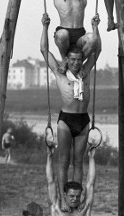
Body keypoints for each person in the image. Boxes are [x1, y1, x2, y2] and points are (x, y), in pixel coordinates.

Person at [40, 13, 101, 190]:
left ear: (82, 60)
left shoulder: (86, 71)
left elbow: (97, 49)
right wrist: (44, 27)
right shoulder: (60, 73)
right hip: (66, 120)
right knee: (64, 161)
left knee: (78, 162)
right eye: (72, 60)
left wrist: (95, 27)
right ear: (67, 60)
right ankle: (63, 197)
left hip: (83, 120)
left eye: (79, 60)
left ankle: (76, 196)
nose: (76, 63)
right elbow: (44, 51)